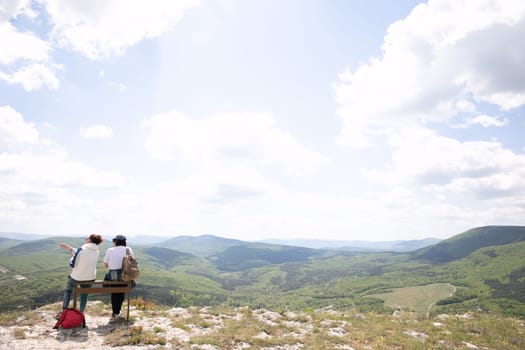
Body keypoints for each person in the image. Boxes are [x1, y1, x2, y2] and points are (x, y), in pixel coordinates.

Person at [59, 234, 103, 315]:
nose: (86, 239)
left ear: (89, 240)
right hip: (90, 277)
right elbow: (84, 254)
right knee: (84, 293)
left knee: (68, 290)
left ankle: (64, 310)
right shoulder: (97, 251)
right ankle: (81, 312)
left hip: (77, 277)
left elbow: (72, 264)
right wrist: (70, 249)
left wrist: (72, 257)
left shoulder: (82, 249)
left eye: (87, 238)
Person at [103, 234, 135, 321]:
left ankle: (115, 312)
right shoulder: (128, 250)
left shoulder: (110, 250)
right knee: (121, 292)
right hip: (125, 276)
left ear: (115, 241)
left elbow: (105, 264)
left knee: (114, 292)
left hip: (113, 276)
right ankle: (117, 311)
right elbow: (133, 263)